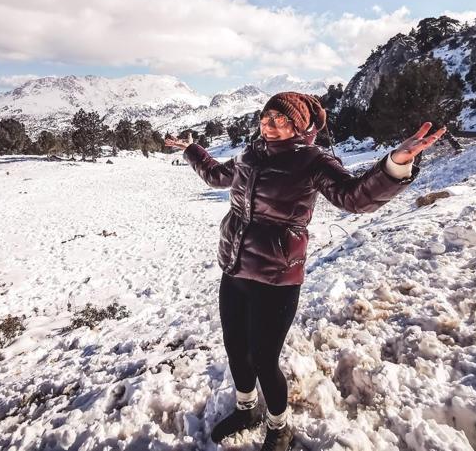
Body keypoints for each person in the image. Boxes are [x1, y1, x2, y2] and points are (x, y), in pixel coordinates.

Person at [165, 92, 445, 451]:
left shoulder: (313, 161)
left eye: (280, 120)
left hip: (276, 278)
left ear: (299, 125)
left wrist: (394, 165)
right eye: (266, 118)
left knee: (264, 359)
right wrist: (192, 150)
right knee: (236, 348)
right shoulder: (250, 154)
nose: (270, 125)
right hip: (234, 269)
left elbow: (354, 196)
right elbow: (217, 175)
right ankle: (246, 410)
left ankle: (278, 427)